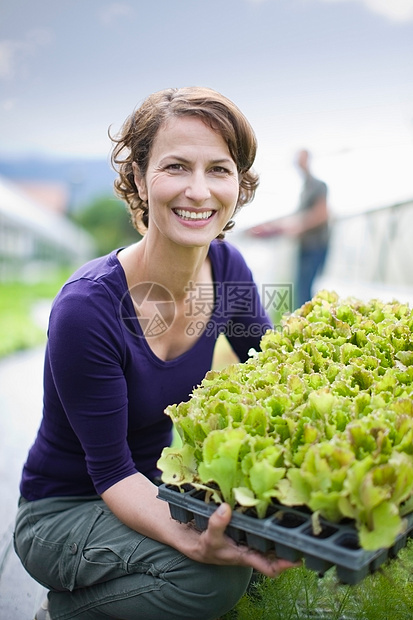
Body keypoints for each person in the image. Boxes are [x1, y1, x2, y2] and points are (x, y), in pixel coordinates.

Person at [14, 87, 300, 620]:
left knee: (266, 553)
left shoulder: (227, 270)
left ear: (239, 183)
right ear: (140, 179)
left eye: (219, 169)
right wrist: (195, 543)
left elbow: (275, 373)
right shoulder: (88, 308)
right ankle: (64, 614)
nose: (199, 190)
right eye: (176, 167)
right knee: (213, 582)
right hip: (66, 509)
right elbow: (112, 473)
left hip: (151, 486)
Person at [250, 149, 330, 309]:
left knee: (307, 287)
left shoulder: (318, 186)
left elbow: (322, 214)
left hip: (316, 245)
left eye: (300, 160)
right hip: (305, 245)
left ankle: (310, 324)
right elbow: (298, 216)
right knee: (301, 287)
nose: (298, 164)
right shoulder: (305, 188)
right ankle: (304, 323)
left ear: (307, 160)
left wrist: (298, 227)